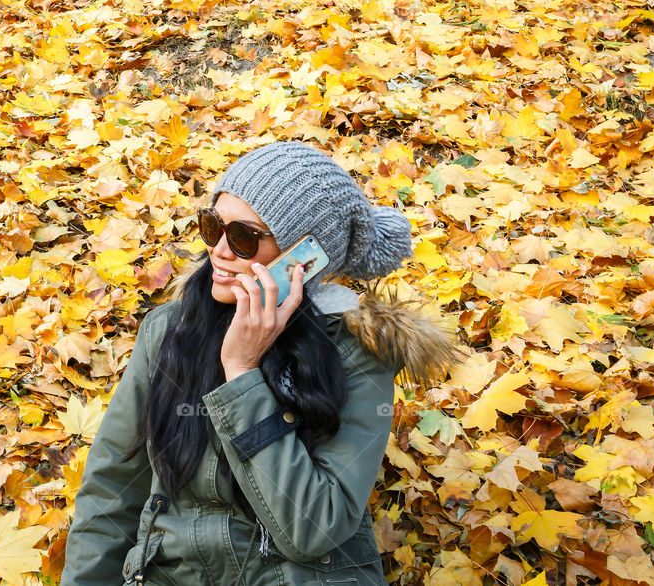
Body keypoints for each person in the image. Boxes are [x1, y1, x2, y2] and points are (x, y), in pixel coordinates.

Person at [60, 142, 464, 585]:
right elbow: (110, 492)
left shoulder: (358, 353)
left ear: (304, 259)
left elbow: (312, 529)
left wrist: (242, 373)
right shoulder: (169, 333)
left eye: (244, 237)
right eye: (213, 226)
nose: (219, 250)